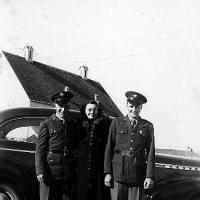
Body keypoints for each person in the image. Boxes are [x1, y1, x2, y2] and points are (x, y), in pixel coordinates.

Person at [104, 91, 155, 200]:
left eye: (137, 107)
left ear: (141, 107)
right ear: (126, 105)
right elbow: (109, 148)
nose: (134, 110)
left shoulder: (147, 126)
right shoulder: (116, 123)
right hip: (118, 173)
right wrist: (108, 172)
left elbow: (151, 152)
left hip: (137, 174)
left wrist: (149, 176)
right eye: (131, 106)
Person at [35, 90, 76, 200]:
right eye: (60, 106)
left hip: (67, 171)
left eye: (66, 107)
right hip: (51, 170)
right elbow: (40, 149)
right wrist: (40, 171)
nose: (63, 110)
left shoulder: (71, 124)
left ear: (69, 107)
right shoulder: (47, 124)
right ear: (55, 105)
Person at [74, 100, 112, 200]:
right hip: (81, 168)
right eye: (89, 109)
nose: (92, 112)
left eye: (95, 110)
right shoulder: (78, 123)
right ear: (84, 110)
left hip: (98, 168)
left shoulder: (104, 124)